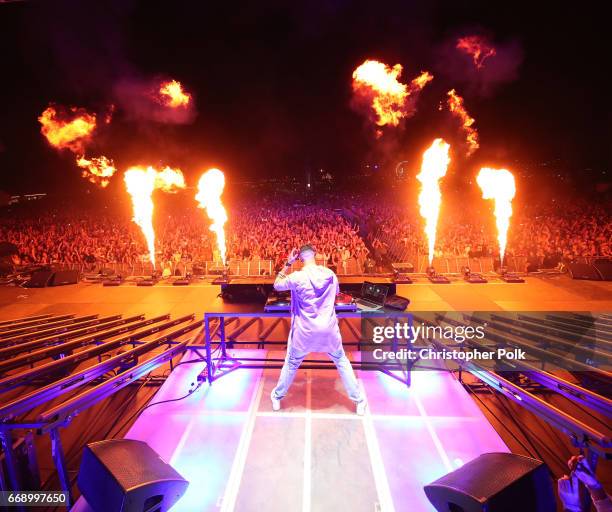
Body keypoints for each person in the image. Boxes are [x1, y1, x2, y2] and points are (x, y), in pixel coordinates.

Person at [270, 244, 366, 415]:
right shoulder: (330, 274)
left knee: (291, 364)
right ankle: (359, 401)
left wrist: (287, 262)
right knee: (342, 362)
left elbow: (277, 285)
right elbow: (336, 295)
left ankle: (277, 397)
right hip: (328, 332)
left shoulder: (297, 276)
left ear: (299, 258)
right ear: (315, 254)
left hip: (304, 333)